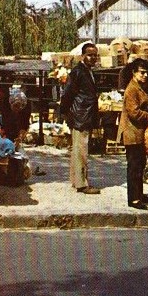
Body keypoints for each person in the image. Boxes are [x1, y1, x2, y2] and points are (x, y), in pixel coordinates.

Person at [60, 43, 101, 194]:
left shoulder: (88, 71)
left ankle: (76, 180)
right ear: (83, 56)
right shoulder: (78, 72)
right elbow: (67, 94)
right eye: (90, 55)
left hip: (84, 115)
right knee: (81, 150)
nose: (93, 58)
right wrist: (65, 113)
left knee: (78, 150)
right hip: (80, 116)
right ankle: (82, 184)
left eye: (95, 55)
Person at [118, 58, 148, 210]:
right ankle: (133, 199)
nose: (145, 75)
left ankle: (139, 194)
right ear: (134, 73)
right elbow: (133, 112)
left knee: (140, 164)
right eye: (142, 72)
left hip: (139, 132)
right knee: (134, 166)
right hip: (132, 133)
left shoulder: (140, 87)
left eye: (146, 72)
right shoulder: (131, 89)